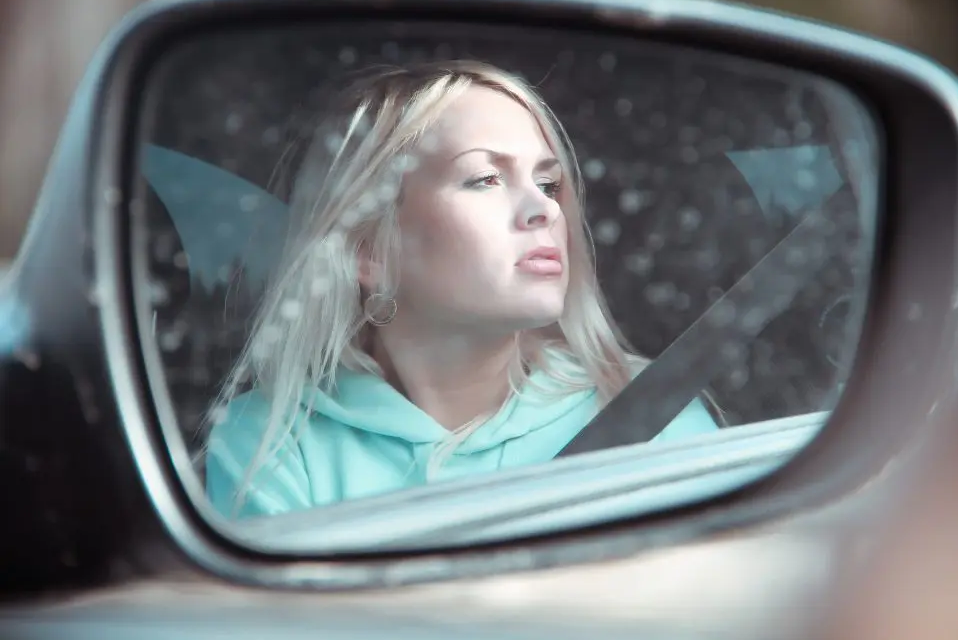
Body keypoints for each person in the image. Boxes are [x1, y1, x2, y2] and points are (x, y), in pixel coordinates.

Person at [204, 60, 720, 520]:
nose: (545, 209)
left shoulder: (651, 415)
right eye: (485, 179)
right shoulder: (274, 447)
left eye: (548, 183)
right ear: (370, 252)